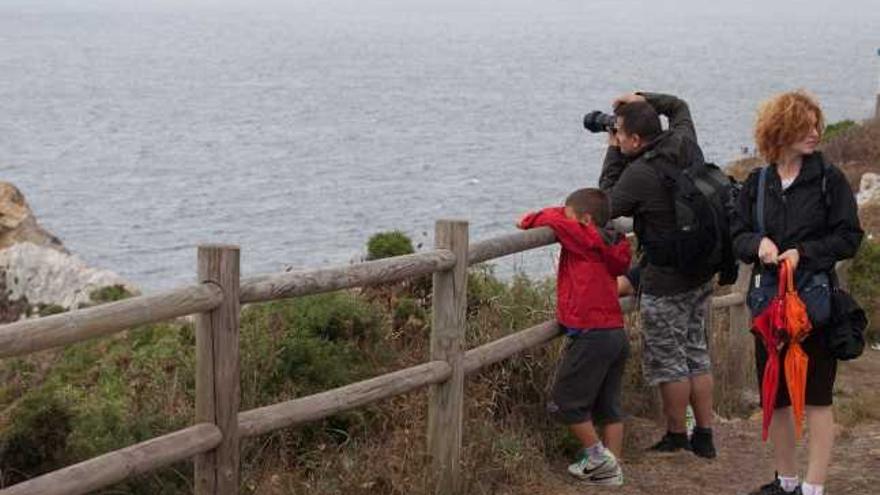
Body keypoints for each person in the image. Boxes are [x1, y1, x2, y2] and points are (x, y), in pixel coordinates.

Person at [730, 90, 863, 495]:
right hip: (770, 306)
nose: (815, 133)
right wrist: (759, 245)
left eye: (816, 124)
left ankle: (813, 487)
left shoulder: (828, 179)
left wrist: (803, 253)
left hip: (814, 306)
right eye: (804, 126)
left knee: (818, 399)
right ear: (780, 130)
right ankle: (786, 482)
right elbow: (737, 236)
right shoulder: (758, 181)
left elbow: (849, 237)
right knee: (779, 397)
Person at [598, 92, 718, 458]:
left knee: (670, 361)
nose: (617, 138)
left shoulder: (638, 173)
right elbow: (680, 105)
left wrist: (611, 152)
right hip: (700, 273)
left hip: (666, 280)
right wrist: (642, 98)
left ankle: (677, 435)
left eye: (620, 134)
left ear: (634, 140)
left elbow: (605, 203)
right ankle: (705, 435)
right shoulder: (683, 139)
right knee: (696, 353)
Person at [517, 188, 631, 485]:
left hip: (591, 333)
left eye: (571, 216)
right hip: (614, 332)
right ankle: (613, 469)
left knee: (564, 402)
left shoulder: (582, 236)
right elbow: (563, 219)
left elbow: (534, 220)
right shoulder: (612, 239)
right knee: (608, 405)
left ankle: (597, 459)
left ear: (585, 219)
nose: (565, 218)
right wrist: (570, 213)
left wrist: (553, 215)